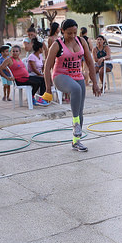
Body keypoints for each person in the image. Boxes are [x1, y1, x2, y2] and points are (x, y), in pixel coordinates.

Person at [43, 19, 100, 151]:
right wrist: (48, 89)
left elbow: (90, 62)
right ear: (62, 31)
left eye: (75, 32)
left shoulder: (81, 41)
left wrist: (95, 83)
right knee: (75, 89)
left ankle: (76, 141)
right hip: (60, 76)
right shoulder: (57, 45)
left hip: (77, 76)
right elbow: (47, 67)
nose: (73, 36)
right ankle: (75, 124)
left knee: (80, 111)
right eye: (69, 33)